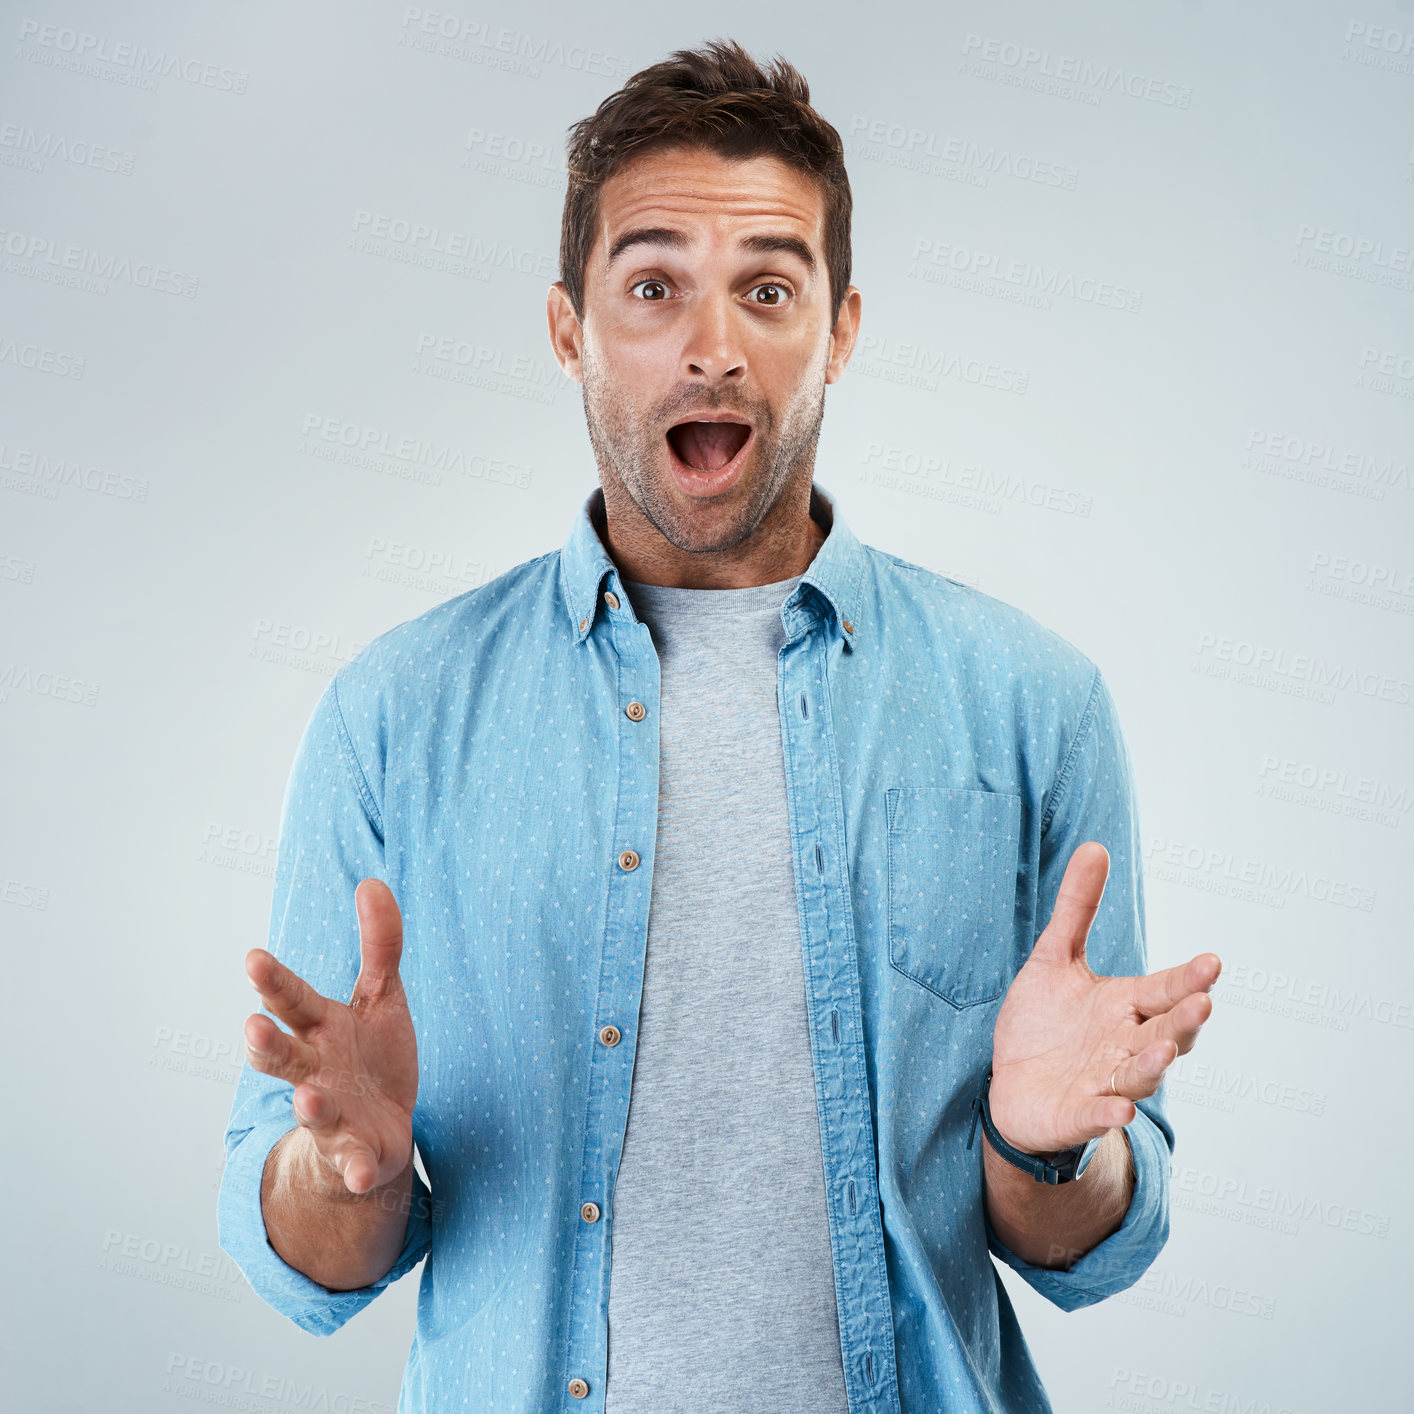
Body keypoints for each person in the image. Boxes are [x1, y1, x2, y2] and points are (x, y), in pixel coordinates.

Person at [219, 37, 1221, 1414]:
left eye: (766, 287)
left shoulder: (1031, 703)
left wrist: (1040, 1147)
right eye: (651, 288)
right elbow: (300, 1255)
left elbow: (1085, 1245)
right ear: (569, 328)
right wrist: (350, 1168)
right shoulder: (395, 714)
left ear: (841, 327)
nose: (711, 344)